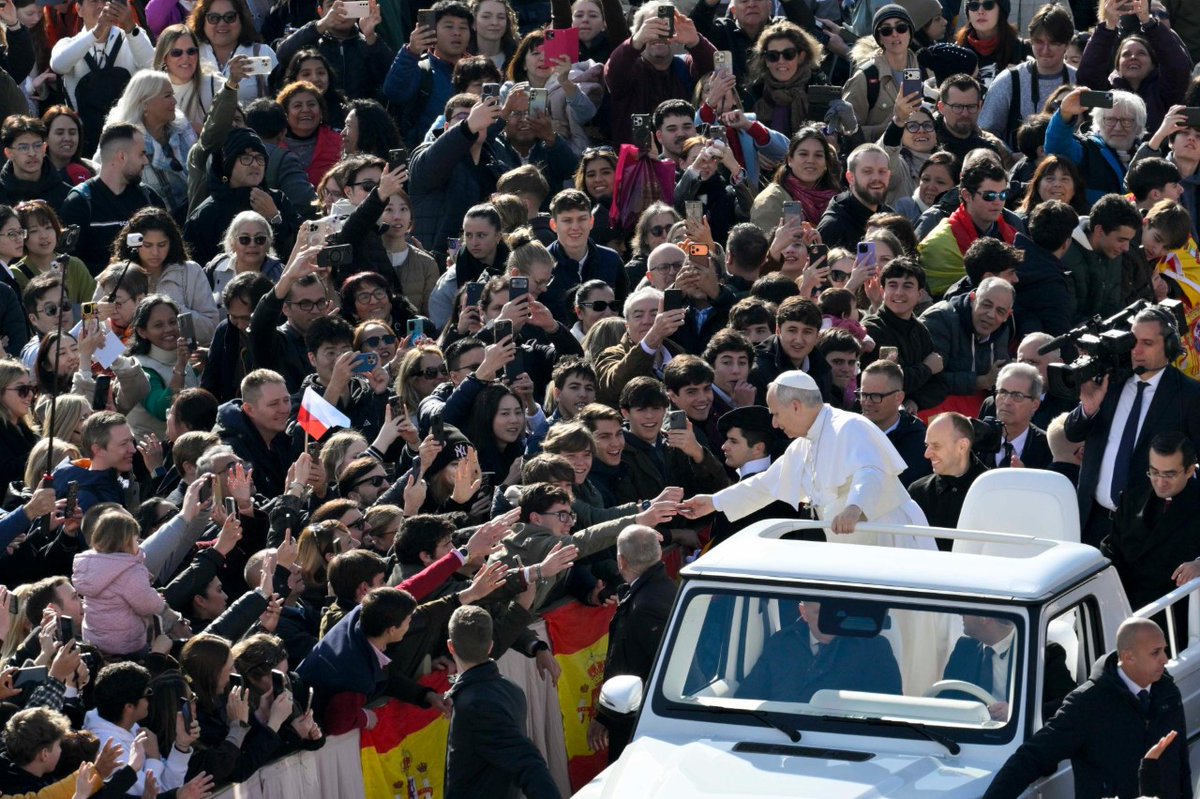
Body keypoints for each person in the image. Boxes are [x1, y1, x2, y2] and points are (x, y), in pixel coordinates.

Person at [680, 370, 932, 550]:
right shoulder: (803, 445)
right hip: (852, 545)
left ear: (796, 406)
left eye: (776, 414)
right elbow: (766, 484)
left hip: (890, 537)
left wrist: (854, 508)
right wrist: (714, 502)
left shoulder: (848, 426)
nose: (774, 424)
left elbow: (871, 471)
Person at [983, 618, 1189, 799]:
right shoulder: (1087, 704)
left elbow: (1181, 763)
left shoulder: (1168, 693)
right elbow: (1033, 756)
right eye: (1155, 653)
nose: (1165, 659)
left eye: (1164, 650)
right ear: (1129, 657)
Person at [1065, 304, 1200, 547]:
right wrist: (1088, 407)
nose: (1136, 351)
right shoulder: (1109, 381)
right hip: (1092, 522)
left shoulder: (1190, 396)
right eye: (1133, 342)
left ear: (1170, 347)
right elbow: (1072, 432)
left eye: (1147, 343)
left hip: (1150, 533)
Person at [443, 604, 561, 799]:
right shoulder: (512, 690)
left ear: (450, 646)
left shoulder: (477, 706)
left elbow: (528, 761)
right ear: (490, 646)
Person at [734, 599, 903, 702]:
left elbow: (889, 708)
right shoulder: (781, 643)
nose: (830, 621)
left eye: (837, 613)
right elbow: (747, 698)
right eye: (820, 614)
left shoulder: (873, 649)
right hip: (780, 736)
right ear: (804, 612)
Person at [1105, 432, 1200, 612]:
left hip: (1176, 613)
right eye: (1154, 472)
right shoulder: (1131, 499)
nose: (1160, 482)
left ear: (1189, 471)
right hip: (1127, 607)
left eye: (1170, 475)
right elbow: (1113, 550)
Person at [602, 2, 715, 147]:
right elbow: (614, 73)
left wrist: (696, 42)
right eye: (652, 26)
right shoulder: (629, 67)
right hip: (638, 159)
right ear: (637, 33)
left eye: (666, 26)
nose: (659, 34)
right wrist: (634, 43)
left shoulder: (686, 65)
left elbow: (715, 75)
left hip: (688, 156)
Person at [59, 123, 166, 275]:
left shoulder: (149, 199)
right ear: (122, 156)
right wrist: (118, 274)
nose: (146, 161)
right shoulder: (79, 203)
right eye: (141, 154)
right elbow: (70, 266)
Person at [1076, 0, 1191, 133]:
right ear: (1117, 65)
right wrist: (1108, 26)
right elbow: (1088, 74)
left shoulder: (1163, 94)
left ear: (1153, 64)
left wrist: (1148, 22)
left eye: (1141, 53)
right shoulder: (1107, 95)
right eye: (1126, 54)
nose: (1133, 57)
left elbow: (1177, 68)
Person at [978, 5, 1076, 148]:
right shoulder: (1009, 80)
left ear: (1067, 44)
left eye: (1053, 43)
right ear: (1030, 41)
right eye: (1039, 42)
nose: (1045, 50)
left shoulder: (1079, 80)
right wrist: (1010, 156)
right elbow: (985, 132)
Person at [919, 159, 1018, 297]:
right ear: (967, 196)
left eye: (1003, 195)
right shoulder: (937, 244)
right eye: (989, 196)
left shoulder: (1013, 234)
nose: (998, 202)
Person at [383, 0, 473, 147]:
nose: (457, 32)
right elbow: (394, 92)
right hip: (427, 154)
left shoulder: (477, 70)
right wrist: (411, 52)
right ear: (433, 30)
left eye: (463, 27)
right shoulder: (420, 68)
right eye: (449, 26)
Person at [861, 257, 947, 411]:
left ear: (919, 294)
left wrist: (915, 401)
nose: (899, 293)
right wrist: (927, 368)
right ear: (882, 290)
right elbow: (889, 382)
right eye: (892, 285)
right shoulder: (872, 329)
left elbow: (939, 385)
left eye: (907, 286)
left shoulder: (921, 330)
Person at [919, 276, 1014, 413]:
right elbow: (928, 377)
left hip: (975, 405)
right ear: (973, 298)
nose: (991, 314)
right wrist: (982, 381)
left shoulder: (1003, 328)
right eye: (986, 305)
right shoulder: (940, 318)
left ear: (1007, 315)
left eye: (1000, 311)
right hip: (933, 403)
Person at [1046, 87, 1147, 204]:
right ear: (1098, 123)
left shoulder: (1149, 155)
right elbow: (1056, 147)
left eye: (1126, 121)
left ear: (1139, 126)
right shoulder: (1086, 150)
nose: (1118, 128)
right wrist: (1065, 113)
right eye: (1110, 120)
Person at [842, 5, 923, 141]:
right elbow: (847, 132)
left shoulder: (925, 69)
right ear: (879, 38)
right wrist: (890, 127)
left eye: (901, 28)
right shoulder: (865, 77)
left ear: (910, 32)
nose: (895, 34)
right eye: (886, 30)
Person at [907, 412, 990, 541]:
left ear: (962, 446)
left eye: (936, 446)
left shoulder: (992, 490)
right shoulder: (918, 492)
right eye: (927, 445)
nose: (927, 454)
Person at [858, 360, 931, 487]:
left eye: (876, 396)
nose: (867, 402)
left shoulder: (921, 442)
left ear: (899, 397)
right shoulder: (849, 433)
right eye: (863, 394)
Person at [817, 143, 893, 250]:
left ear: (889, 175)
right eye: (867, 171)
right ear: (851, 177)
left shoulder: (891, 218)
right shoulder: (834, 226)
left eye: (882, 171)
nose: (876, 178)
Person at [0, 115, 72, 212]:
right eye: (23, 147)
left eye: (37, 146)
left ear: (44, 148)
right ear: (9, 153)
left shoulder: (67, 196)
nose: (32, 153)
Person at [990, 362, 1052, 468]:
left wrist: (1025, 476)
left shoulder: (1048, 448)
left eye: (1017, 396)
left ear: (1035, 405)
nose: (1007, 401)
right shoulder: (976, 440)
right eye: (1003, 392)